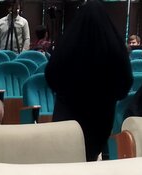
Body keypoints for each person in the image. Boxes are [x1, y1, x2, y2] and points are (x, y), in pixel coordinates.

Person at [46, 0, 131, 160]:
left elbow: (51, 75)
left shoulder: (68, 43)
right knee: (90, 157)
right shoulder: (114, 46)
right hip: (101, 116)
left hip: (67, 114)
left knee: (65, 159)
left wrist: (67, 94)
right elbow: (125, 84)